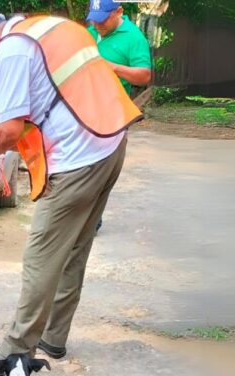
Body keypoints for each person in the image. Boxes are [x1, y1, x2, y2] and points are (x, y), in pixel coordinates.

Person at [0, 13, 142, 375]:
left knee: (41, 257)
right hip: (111, 144)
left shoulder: (11, 50)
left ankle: (15, 354)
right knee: (74, 249)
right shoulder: (49, 28)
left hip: (77, 160)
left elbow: (10, 130)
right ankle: (54, 339)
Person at [86, 0, 152, 232]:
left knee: (100, 166)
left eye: (102, 18)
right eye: (93, 17)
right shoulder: (92, 30)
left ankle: (93, 217)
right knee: (82, 165)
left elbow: (144, 76)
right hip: (82, 109)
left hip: (111, 113)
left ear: (119, 12)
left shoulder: (134, 38)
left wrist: (112, 67)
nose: (96, 23)